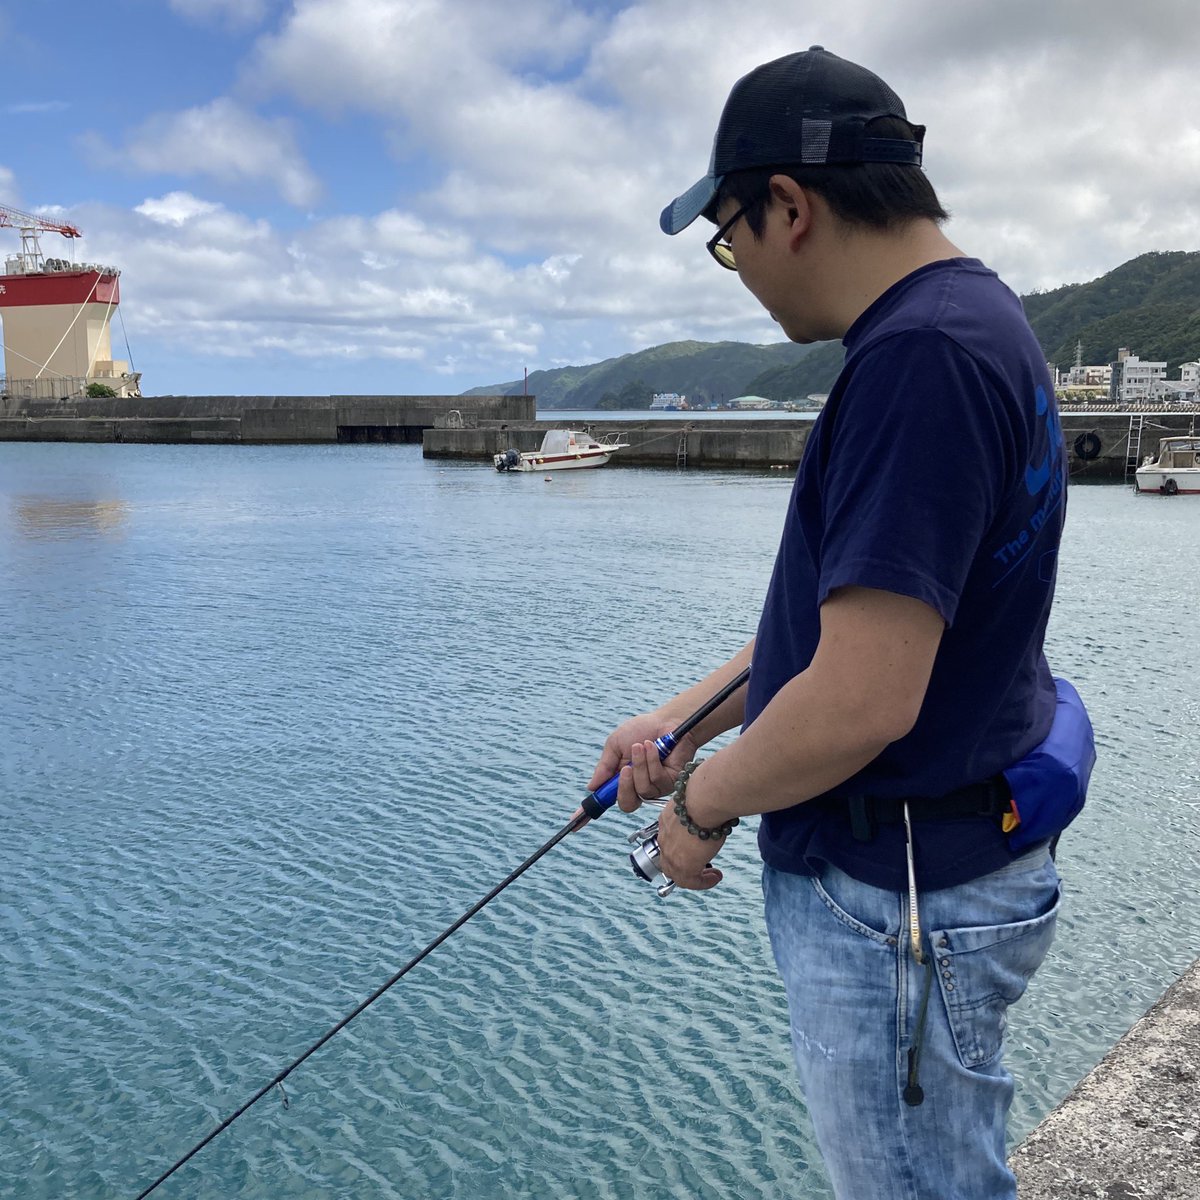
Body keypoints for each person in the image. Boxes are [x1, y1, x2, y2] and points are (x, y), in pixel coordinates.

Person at [588, 47, 1073, 1200]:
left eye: (728, 237)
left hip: (902, 899)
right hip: (938, 879)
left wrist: (699, 810)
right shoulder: (970, 321)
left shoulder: (920, 362)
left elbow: (860, 699)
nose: (737, 268)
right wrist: (679, 723)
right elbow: (837, 632)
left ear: (789, 208)